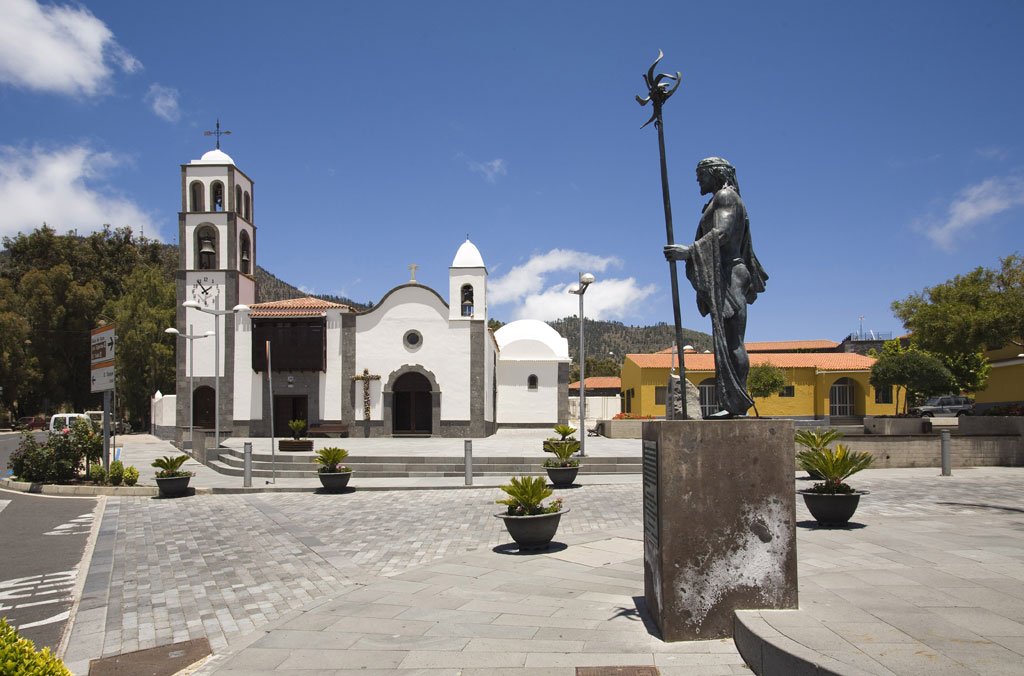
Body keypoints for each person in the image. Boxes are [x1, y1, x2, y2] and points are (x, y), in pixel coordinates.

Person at [664, 157, 768, 417]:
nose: (698, 180)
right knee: (725, 340)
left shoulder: (725, 196)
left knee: (732, 340)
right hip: (724, 273)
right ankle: (730, 403)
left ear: (715, 173)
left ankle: (737, 404)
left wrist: (688, 252)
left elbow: (722, 233)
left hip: (730, 274)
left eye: (701, 175)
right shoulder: (717, 199)